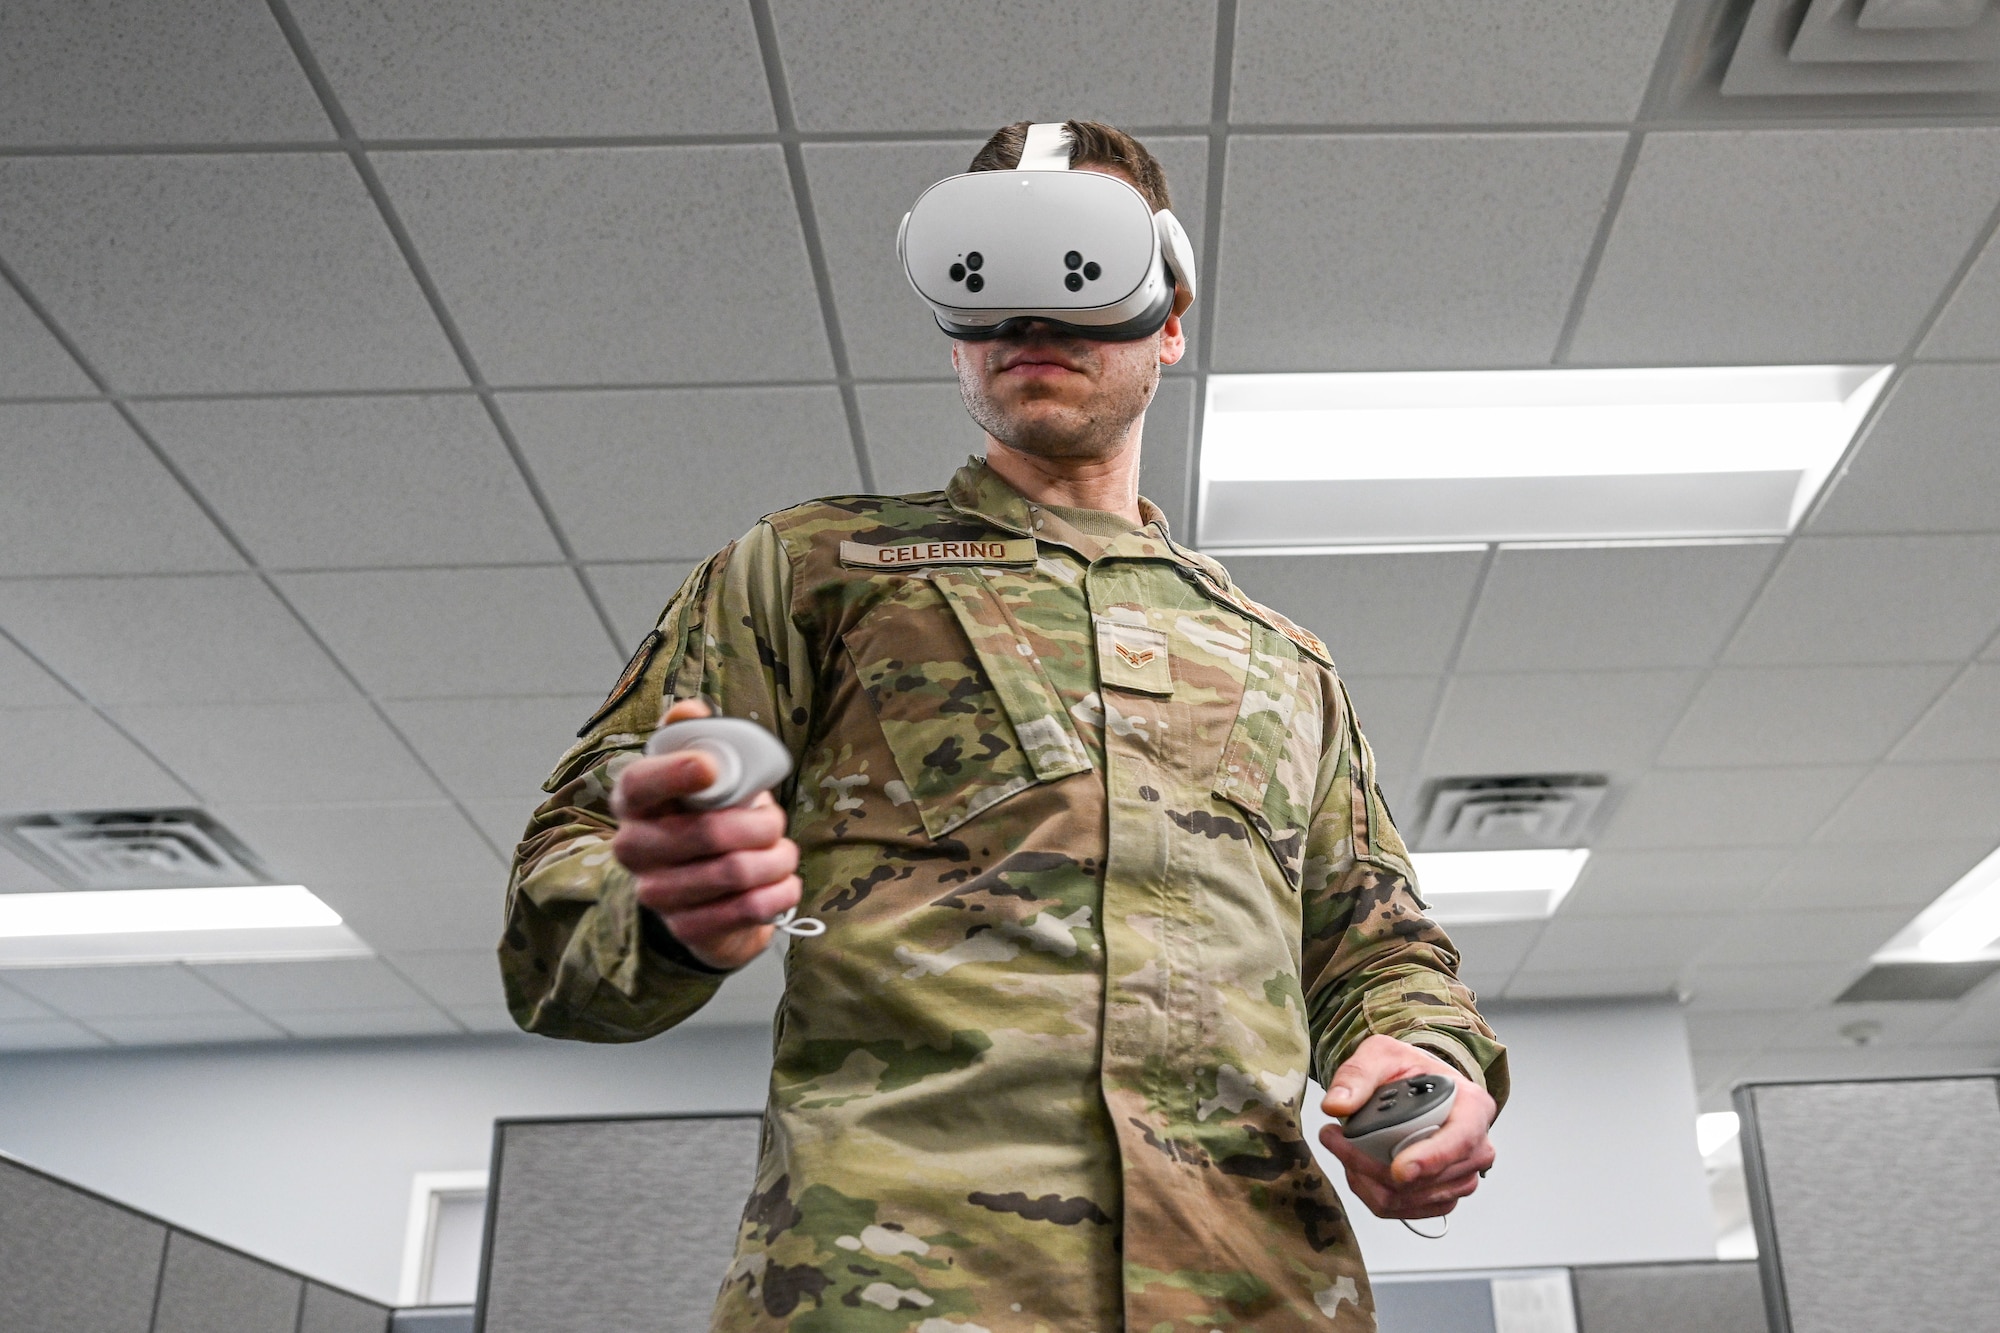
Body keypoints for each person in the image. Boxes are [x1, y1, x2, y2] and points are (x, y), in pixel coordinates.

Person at [501, 120, 1507, 1333]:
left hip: (1253, 1293)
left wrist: (1423, 1059)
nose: (1032, 315)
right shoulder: (818, 571)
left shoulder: (1281, 660)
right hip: (899, 1292)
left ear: (1167, 316)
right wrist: (661, 906)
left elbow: (1375, 950)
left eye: (1080, 267)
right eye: (989, 274)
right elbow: (556, 924)